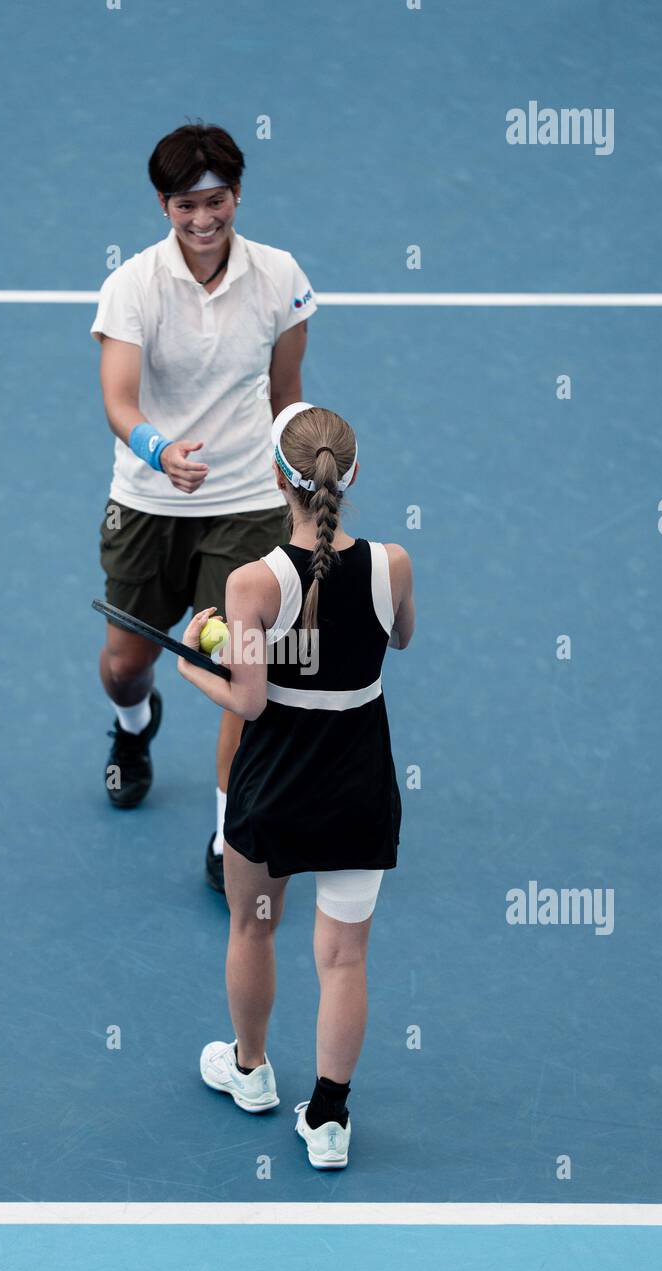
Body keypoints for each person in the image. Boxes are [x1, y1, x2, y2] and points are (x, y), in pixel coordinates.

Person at [176, 403, 415, 1168]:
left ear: (277, 478)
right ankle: (331, 1120)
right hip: (357, 785)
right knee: (344, 958)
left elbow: (247, 700)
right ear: (351, 477)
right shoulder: (394, 564)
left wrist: (192, 664)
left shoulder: (252, 585)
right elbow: (401, 635)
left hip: (276, 788)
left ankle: (249, 1070)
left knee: (254, 927)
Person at [90, 122, 317, 896]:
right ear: (163, 205)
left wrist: (307, 474)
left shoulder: (280, 275)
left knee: (237, 665)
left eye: (216, 201)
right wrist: (162, 452)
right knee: (125, 667)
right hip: (152, 498)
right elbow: (119, 401)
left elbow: (286, 396)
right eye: (186, 205)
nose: (204, 219)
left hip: (248, 501)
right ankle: (133, 725)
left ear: (237, 195)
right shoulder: (133, 285)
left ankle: (228, 833)